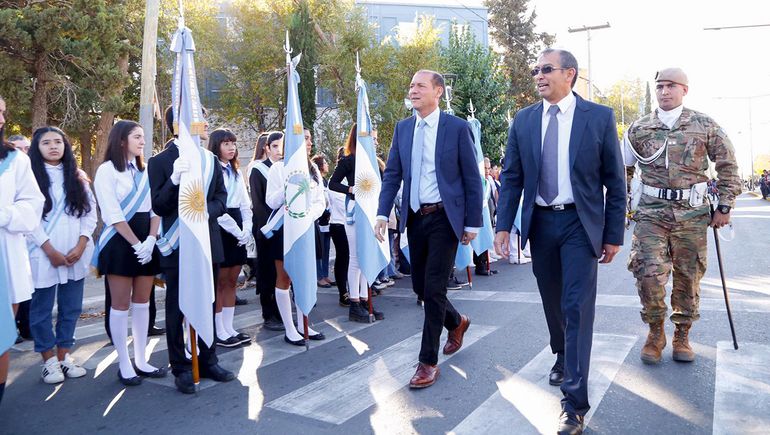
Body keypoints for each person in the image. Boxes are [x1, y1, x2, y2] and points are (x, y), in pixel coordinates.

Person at [493, 49, 626, 435]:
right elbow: (513, 177)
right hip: (540, 224)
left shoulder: (598, 117)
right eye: (535, 69)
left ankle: (574, 404)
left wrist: (613, 234)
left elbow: (615, 182)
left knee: (576, 306)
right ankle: (563, 353)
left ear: (570, 74)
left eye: (546, 69)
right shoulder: (524, 120)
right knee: (554, 302)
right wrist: (504, 225)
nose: (538, 75)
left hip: (579, 224)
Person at [624, 68, 740, 365]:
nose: (664, 91)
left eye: (671, 86)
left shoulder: (704, 125)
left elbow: (728, 164)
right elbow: (621, 169)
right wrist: (621, 205)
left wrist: (724, 205)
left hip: (693, 215)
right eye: (660, 86)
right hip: (651, 213)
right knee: (647, 274)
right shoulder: (639, 128)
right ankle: (655, 332)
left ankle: (682, 335)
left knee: (688, 278)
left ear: (684, 90)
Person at [376, 70, 482, 389]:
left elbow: (472, 178)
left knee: (434, 288)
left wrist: (473, 222)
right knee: (420, 288)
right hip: (415, 218)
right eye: (410, 85)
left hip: (445, 218)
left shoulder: (457, 127)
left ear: (438, 91)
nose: (413, 90)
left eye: (420, 85)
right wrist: (382, 212)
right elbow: (392, 174)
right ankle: (457, 321)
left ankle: (427, 362)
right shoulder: (404, 128)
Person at [148, 106, 235, 394]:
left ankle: (208, 359)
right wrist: (173, 180)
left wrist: (203, 212)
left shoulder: (210, 160)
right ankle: (181, 366)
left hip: (207, 241)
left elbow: (221, 198)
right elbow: (159, 205)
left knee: (208, 301)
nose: (205, 122)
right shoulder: (160, 161)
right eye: (199, 116)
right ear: (181, 123)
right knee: (177, 307)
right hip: (177, 246)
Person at [93, 120, 166, 386]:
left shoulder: (145, 171)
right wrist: (136, 243)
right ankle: (123, 363)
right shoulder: (107, 171)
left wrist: (150, 239)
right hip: (120, 243)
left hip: (146, 241)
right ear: (121, 140)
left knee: (143, 303)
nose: (142, 141)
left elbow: (154, 208)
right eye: (137, 136)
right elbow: (111, 214)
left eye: (143, 137)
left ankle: (142, 359)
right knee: (121, 305)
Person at [26, 126, 96, 384]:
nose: (53, 146)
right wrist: (49, 250)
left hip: (74, 254)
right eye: (46, 142)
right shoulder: (29, 178)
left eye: (58, 141)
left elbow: (90, 214)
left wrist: (80, 245)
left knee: (71, 308)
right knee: (42, 310)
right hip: (42, 254)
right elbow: (29, 220)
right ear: (37, 147)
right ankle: (48, 362)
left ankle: (64, 356)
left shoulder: (77, 177)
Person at [0, 96, 45, 405]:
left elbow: (32, 207)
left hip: (5, 259)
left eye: (2, 111)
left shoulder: (16, 160)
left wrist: (4, 215)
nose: (0, 117)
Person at [265, 128, 327, 346]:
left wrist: (309, 216)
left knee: (305, 276)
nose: (308, 142)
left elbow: (321, 201)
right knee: (285, 278)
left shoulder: (313, 169)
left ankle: (303, 323)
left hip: (307, 227)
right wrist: (288, 188)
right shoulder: (278, 168)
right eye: (304, 139)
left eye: (309, 139)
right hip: (285, 230)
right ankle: (290, 328)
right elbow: (270, 202)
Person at [329, 123, 386, 322]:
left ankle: (364, 299)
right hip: (355, 213)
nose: (376, 142)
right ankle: (354, 302)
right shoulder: (349, 160)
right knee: (355, 258)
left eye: (376, 139)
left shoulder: (374, 162)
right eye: (373, 138)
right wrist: (352, 190)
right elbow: (333, 183)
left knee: (366, 258)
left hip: (372, 213)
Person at [208, 128, 252, 347]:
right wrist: (236, 230)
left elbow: (245, 203)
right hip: (220, 225)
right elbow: (217, 205)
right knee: (220, 281)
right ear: (217, 146)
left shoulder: (236, 171)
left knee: (232, 281)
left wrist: (247, 229)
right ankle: (218, 329)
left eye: (233, 143)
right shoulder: (212, 169)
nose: (231, 147)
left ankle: (229, 327)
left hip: (238, 224)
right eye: (226, 143)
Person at [249, 131, 285, 331]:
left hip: (285, 229)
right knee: (267, 272)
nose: (279, 151)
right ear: (267, 147)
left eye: (282, 146)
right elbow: (259, 204)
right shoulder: (258, 169)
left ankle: (282, 311)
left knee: (282, 274)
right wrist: (269, 229)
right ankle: (268, 312)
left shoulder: (284, 168)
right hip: (267, 230)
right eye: (275, 146)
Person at [8, 134, 32, 344]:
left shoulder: (28, 171)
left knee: (23, 293)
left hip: (24, 243)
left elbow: (32, 209)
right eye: (18, 148)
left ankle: (24, 327)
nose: (23, 152)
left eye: (26, 148)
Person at [328, 147, 350, 307]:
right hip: (339, 224)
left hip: (351, 224)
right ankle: (343, 292)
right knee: (343, 258)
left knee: (354, 260)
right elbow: (344, 205)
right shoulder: (336, 183)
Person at [312, 154, 333, 288]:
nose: (327, 165)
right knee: (319, 251)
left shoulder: (324, 180)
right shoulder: (316, 179)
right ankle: (319, 276)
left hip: (327, 220)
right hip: (319, 219)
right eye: (325, 162)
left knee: (326, 250)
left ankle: (325, 274)